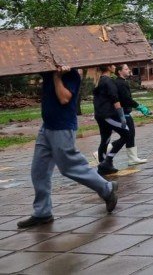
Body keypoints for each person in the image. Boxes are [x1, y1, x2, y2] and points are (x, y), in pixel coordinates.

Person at [17, 66, 118, 229]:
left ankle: (106, 188)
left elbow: (64, 98)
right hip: (47, 127)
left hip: (62, 127)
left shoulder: (71, 75)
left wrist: (57, 77)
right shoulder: (48, 70)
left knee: (70, 166)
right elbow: (31, 62)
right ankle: (42, 213)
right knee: (39, 171)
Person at [93, 64, 133, 175]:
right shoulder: (108, 81)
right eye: (113, 65)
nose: (115, 67)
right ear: (109, 68)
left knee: (105, 139)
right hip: (108, 116)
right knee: (127, 134)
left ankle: (103, 166)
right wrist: (121, 116)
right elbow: (115, 99)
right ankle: (108, 160)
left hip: (100, 115)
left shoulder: (100, 80)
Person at [112, 64, 148, 165]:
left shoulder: (121, 82)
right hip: (123, 113)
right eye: (126, 69)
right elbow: (126, 99)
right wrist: (139, 106)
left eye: (128, 69)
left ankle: (133, 158)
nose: (129, 70)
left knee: (130, 135)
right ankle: (101, 152)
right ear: (119, 71)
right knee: (127, 135)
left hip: (124, 113)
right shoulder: (121, 83)